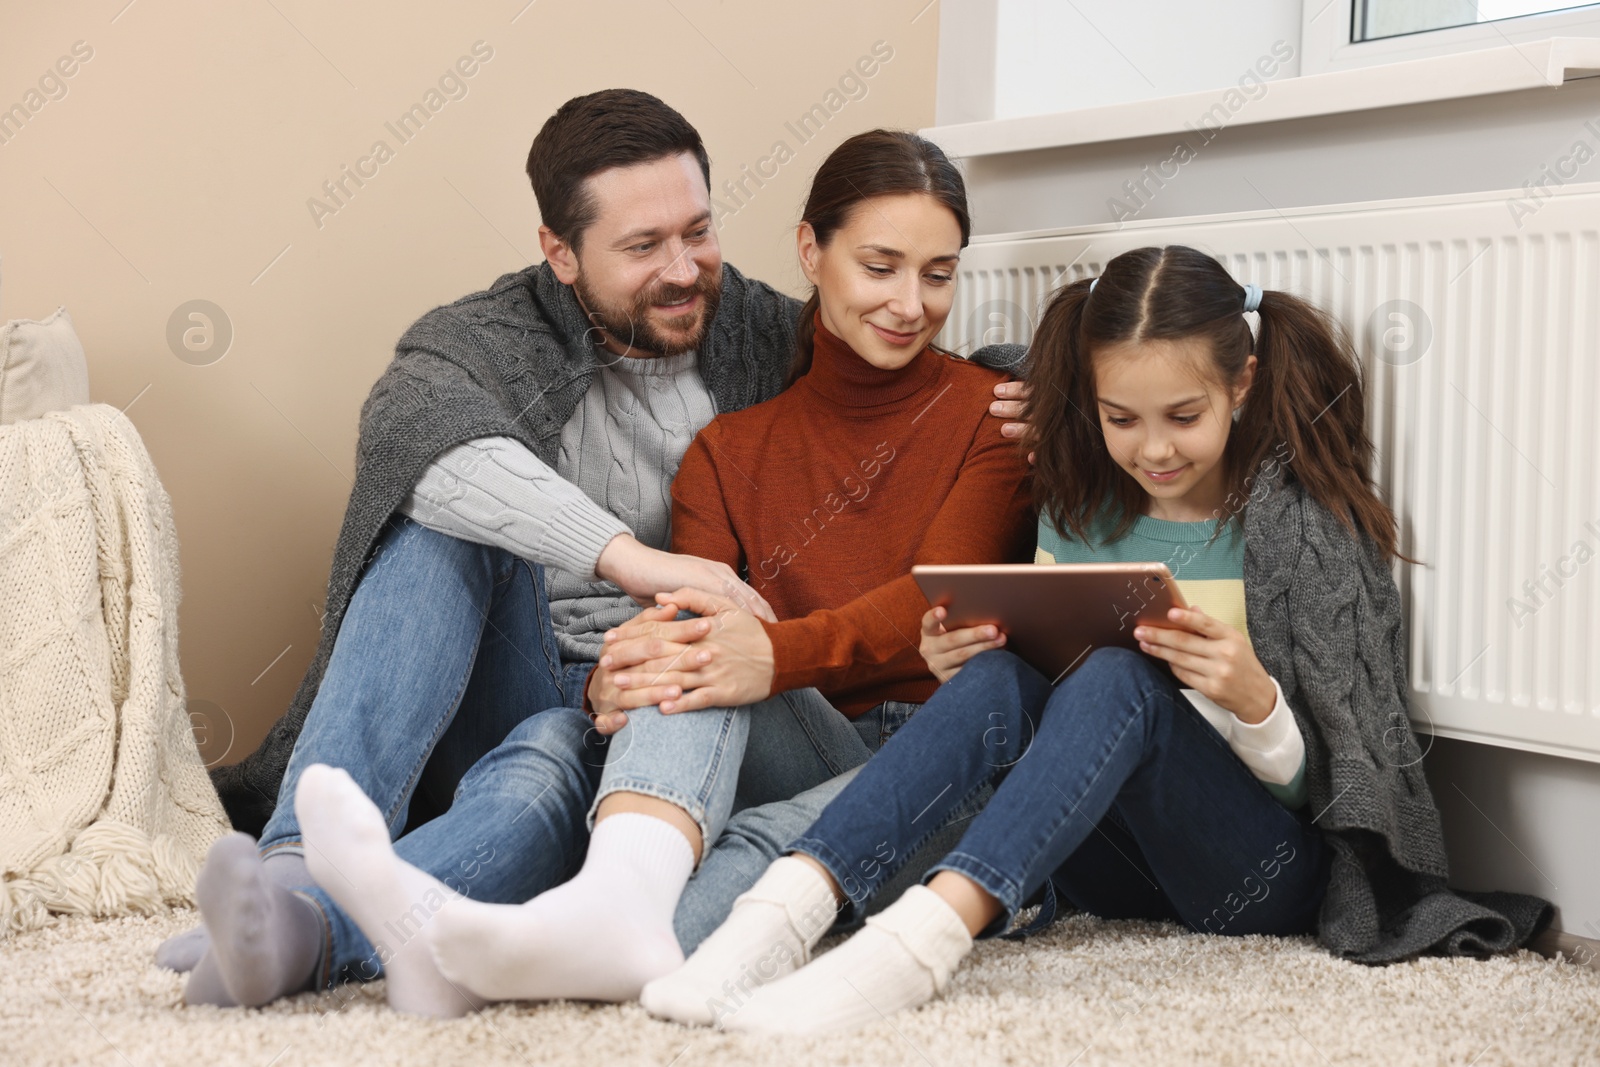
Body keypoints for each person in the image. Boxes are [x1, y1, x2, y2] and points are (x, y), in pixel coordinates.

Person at [163, 89, 1031, 1010]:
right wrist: (635, 562)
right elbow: (414, 429)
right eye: (643, 246)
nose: (684, 269)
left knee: (580, 735)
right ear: (560, 254)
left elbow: (914, 363)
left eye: (698, 231)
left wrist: (1043, 375)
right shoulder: (507, 343)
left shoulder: (769, 334)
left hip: (692, 704)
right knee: (457, 535)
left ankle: (324, 931)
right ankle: (297, 874)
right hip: (553, 678)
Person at [646, 244, 1554, 1034]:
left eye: (1182, 416)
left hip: (1257, 869)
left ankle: (918, 945)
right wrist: (949, 660)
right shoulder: (1081, 506)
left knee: (1121, 676)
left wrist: (1256, 703)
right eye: (1121, 418)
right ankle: (782, 915)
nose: (1152, 448)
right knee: (1004, 673)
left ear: (1240, 384)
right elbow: (1036, 696)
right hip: (1101, 864)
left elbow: (1355, 788)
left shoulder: (1299, 529)